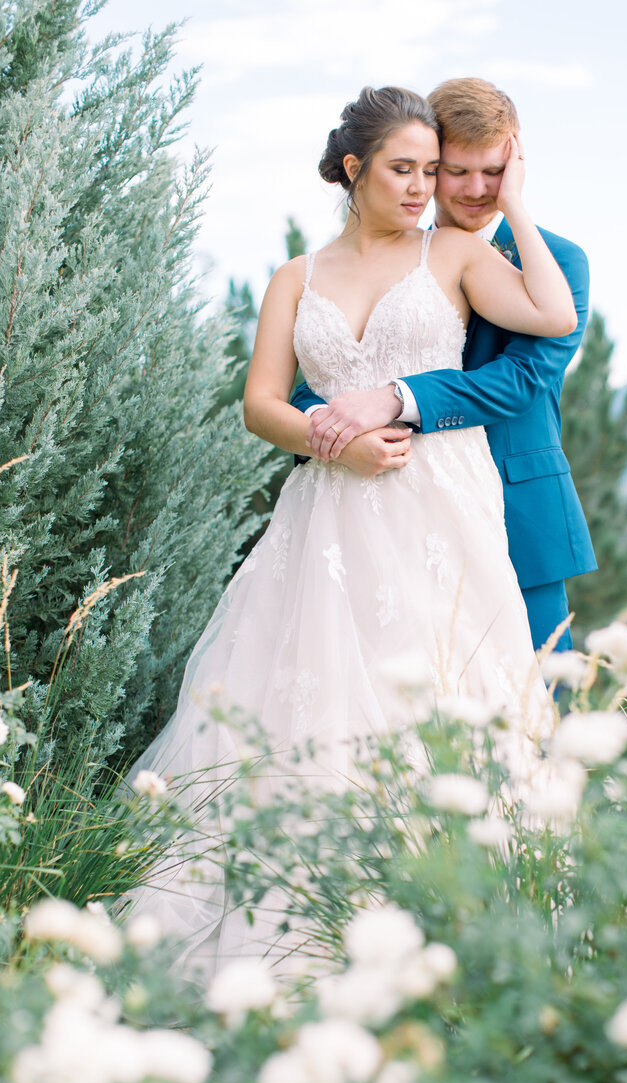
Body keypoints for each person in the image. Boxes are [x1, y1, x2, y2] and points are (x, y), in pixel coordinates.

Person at [126, 85, 576, 976]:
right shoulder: (296, 277)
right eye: (405, 169)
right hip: (327, 510)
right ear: (352, 170)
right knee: (308, 694)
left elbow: (554, 318)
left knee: (448, 697)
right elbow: (259, 403)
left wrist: (515, 203)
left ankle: (469, 920)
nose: (422, 187)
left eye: (429, 171)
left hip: (441, 506)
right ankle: (304, 926)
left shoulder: (454, 253)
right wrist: (336, 445)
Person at [291, 78, 597, 653]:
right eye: (456, 170)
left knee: (532, 721)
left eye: (494, 172)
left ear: (515, 161)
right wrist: (334, 426)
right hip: (392, 521)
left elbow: (523, 383)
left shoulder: (557, 261)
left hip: (516, 518)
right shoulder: (389, 259)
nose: (477, 189)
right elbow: (324, 381)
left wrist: (395, 397)